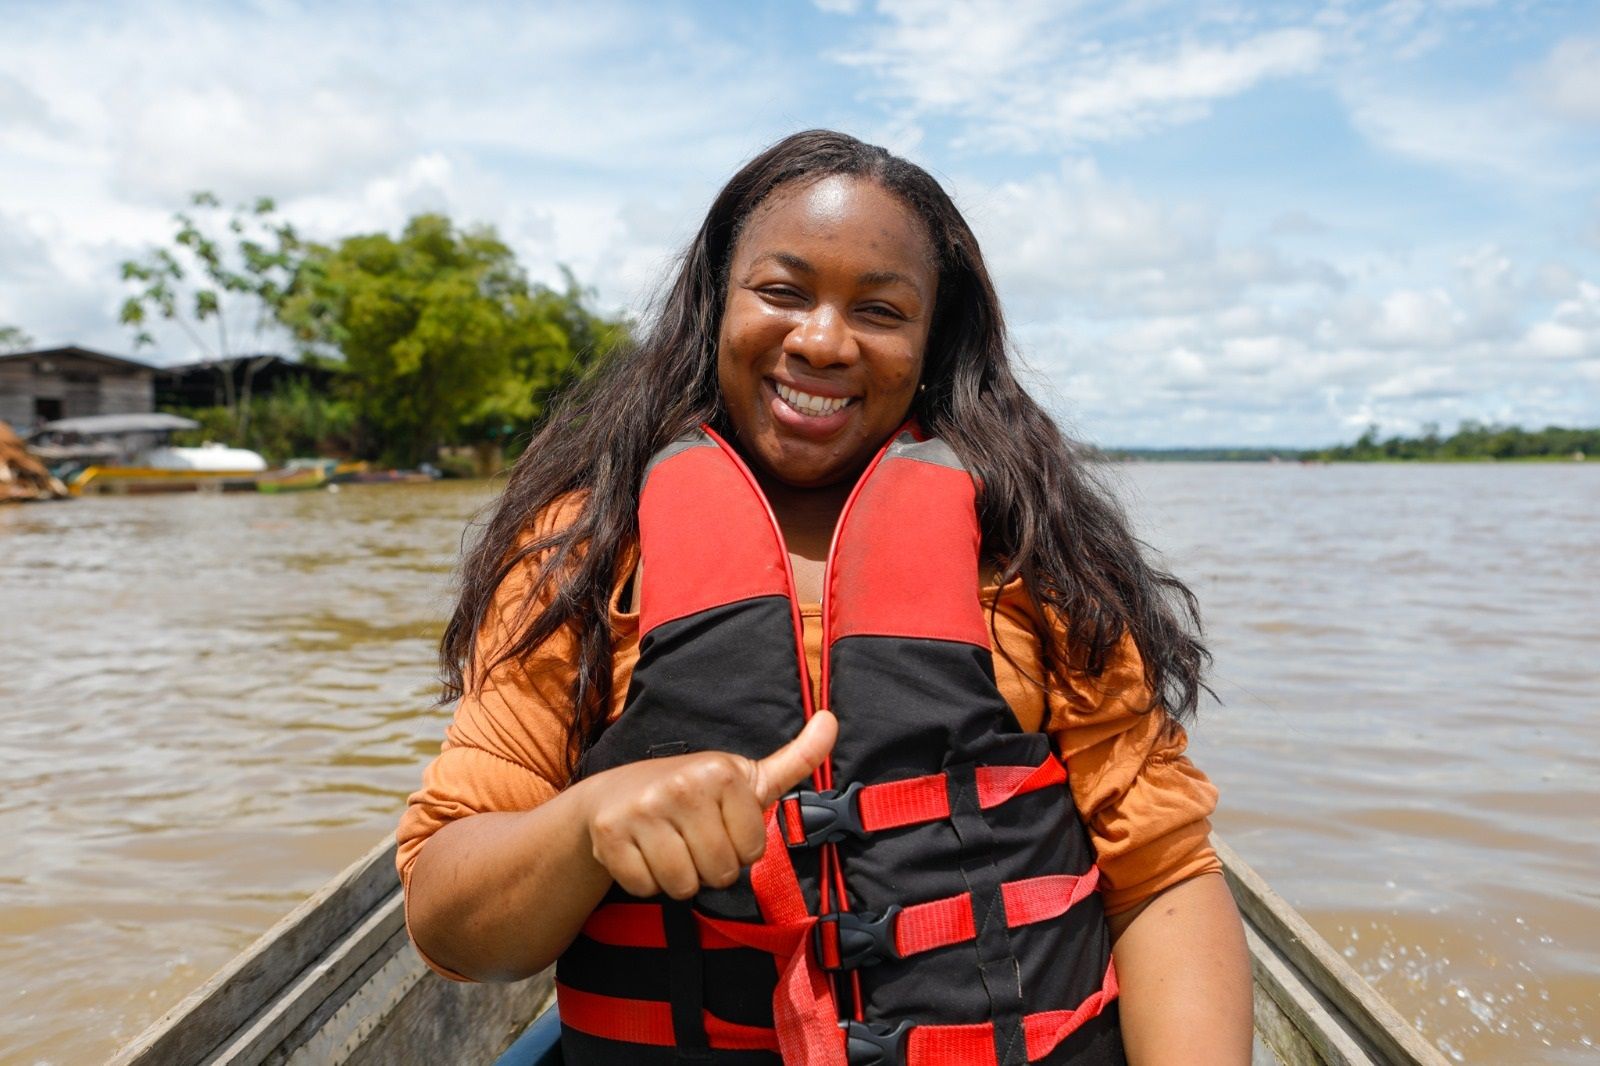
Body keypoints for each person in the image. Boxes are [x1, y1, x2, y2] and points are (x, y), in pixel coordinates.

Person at [398, 130, 1252, 1065]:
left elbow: (1162, 877)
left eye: (880, 310)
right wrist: (585, 825)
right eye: (783, 292)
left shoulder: (1031, 553)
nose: (822, 340)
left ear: (931, 343)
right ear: (716, 303)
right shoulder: (584, 552)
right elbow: (451, 925)